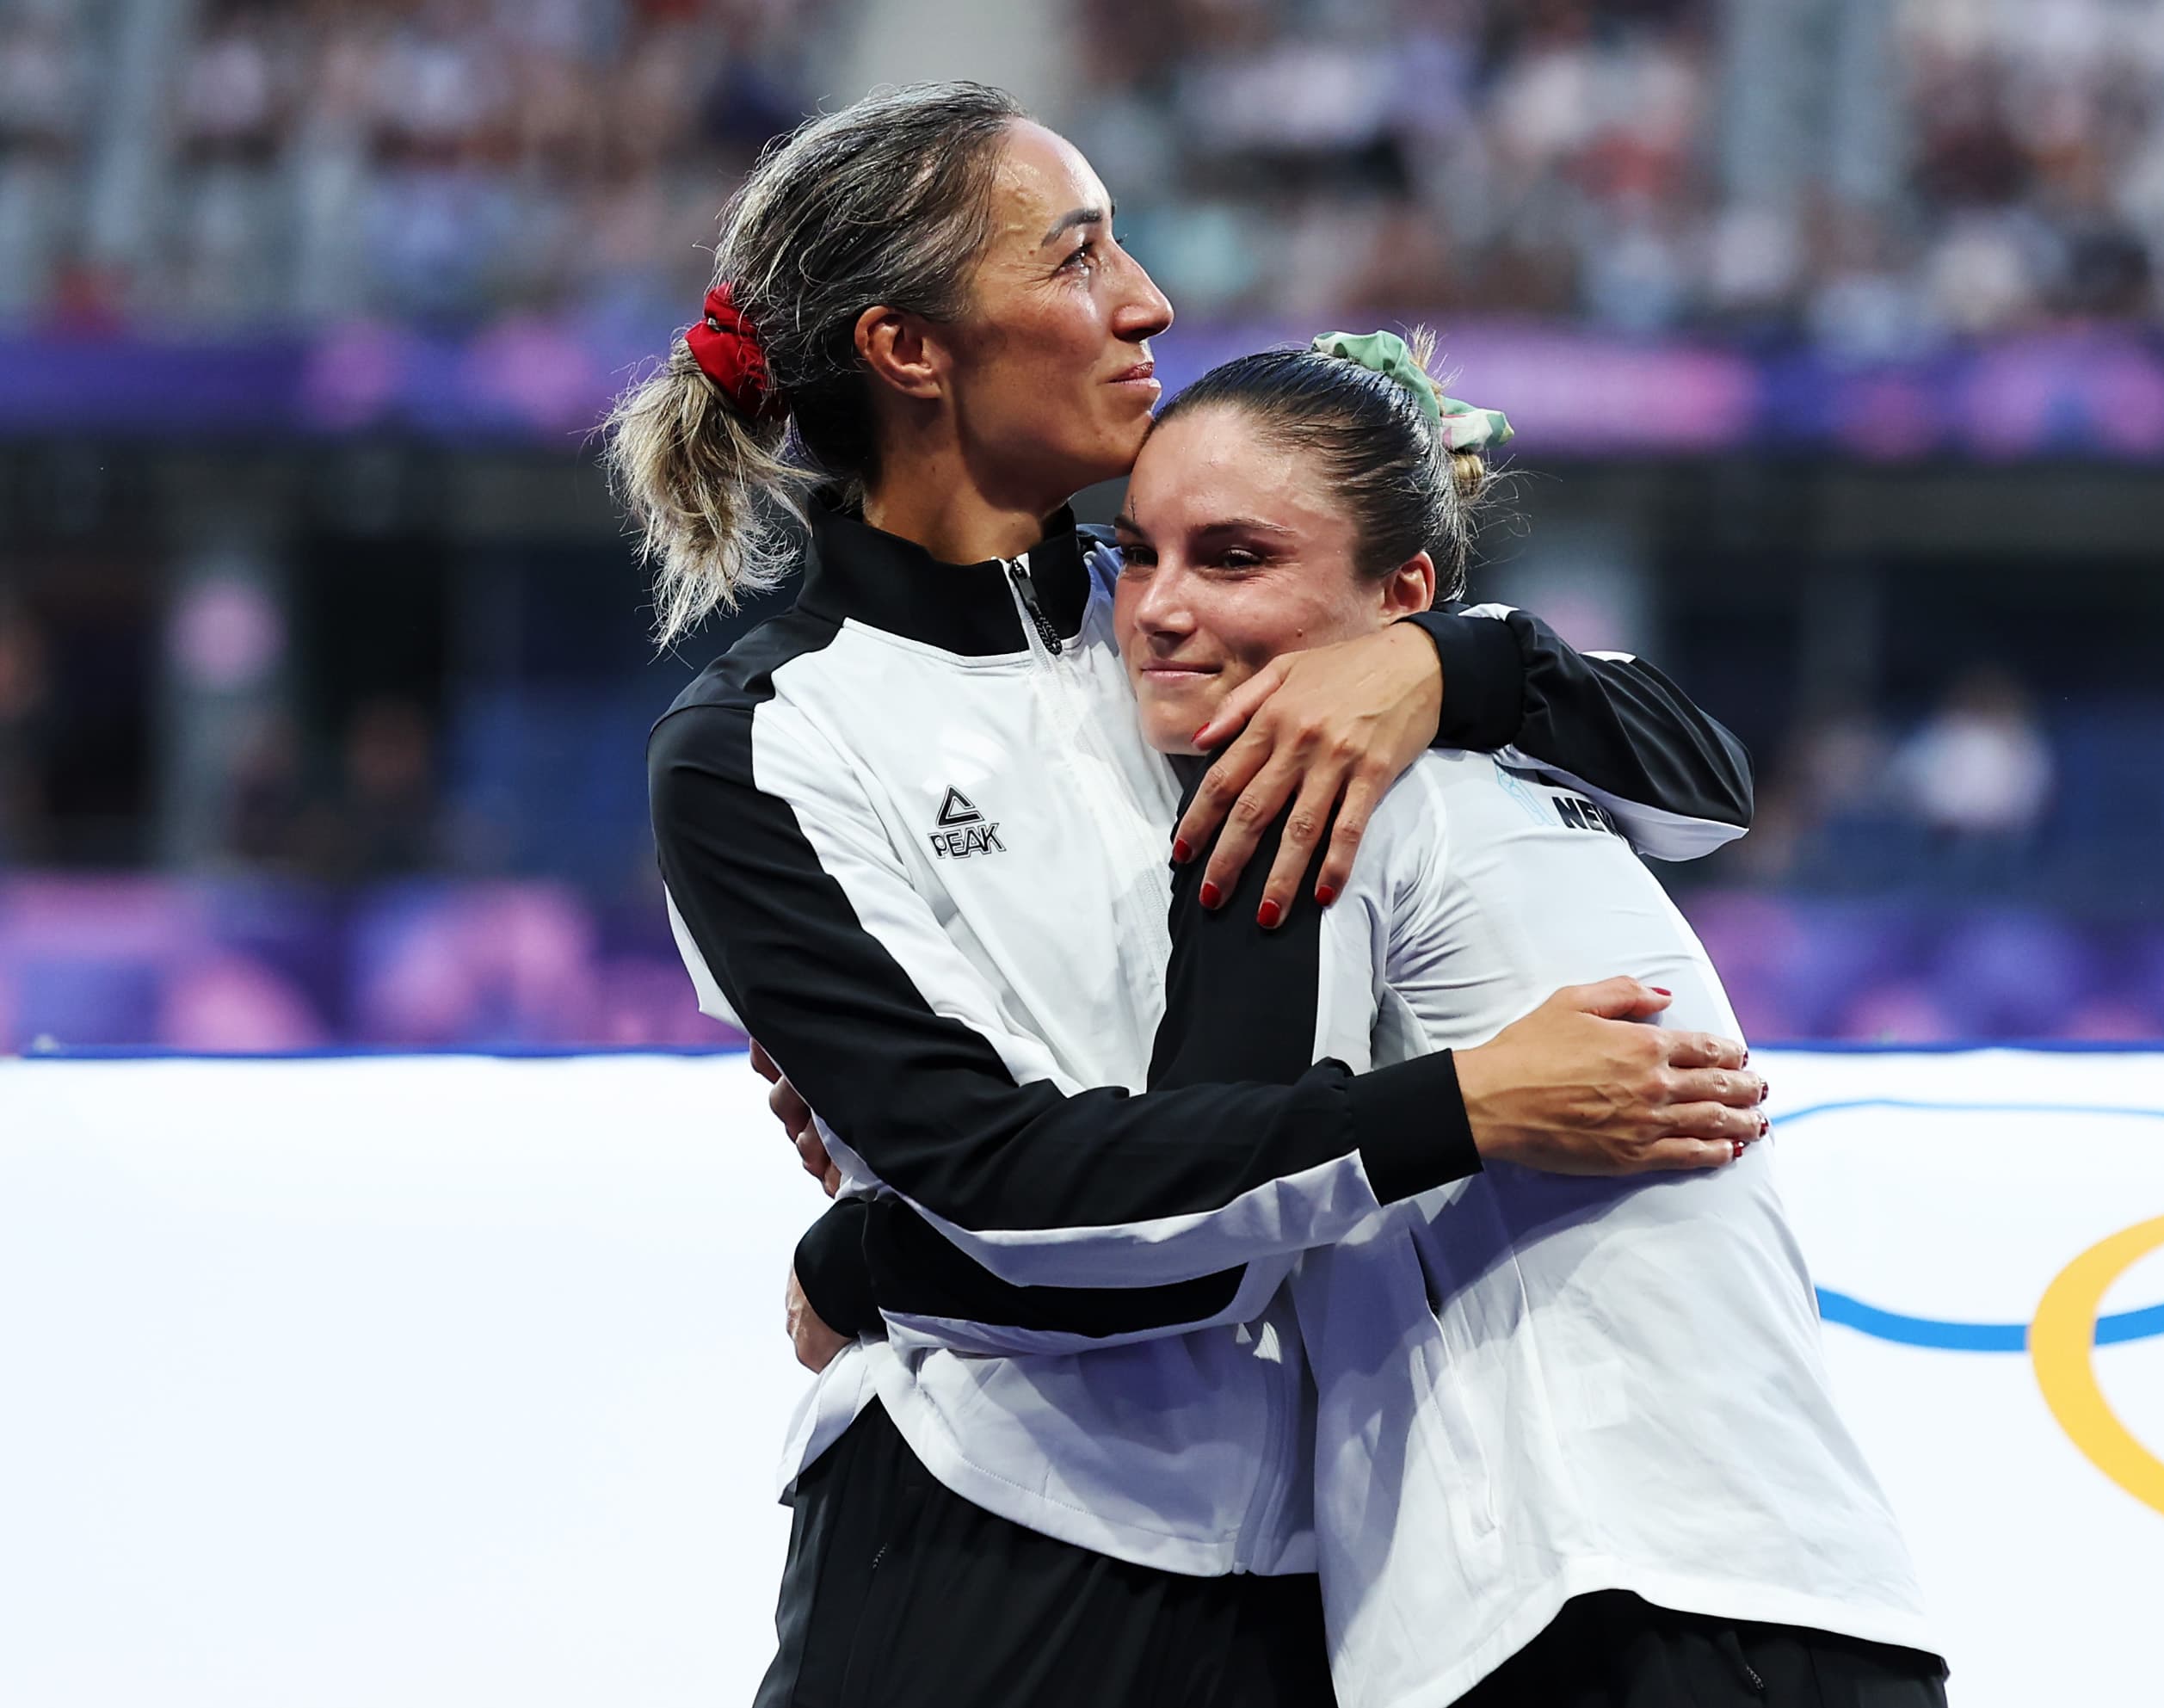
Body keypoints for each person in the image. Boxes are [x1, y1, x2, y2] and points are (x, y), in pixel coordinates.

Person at [612, 84, 1766, 1708]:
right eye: (1079, 255)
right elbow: (1001, 1181)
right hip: (981, 1548)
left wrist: (1437, 662)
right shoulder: (761, 743)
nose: (1148, 298)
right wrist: (1469, 1105)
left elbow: (1698, 783)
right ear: (909, 348)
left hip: (1328, 1582)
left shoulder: (1180, 606)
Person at [843, 333, 1946, 1708]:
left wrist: (868, 1260)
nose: (1160, 609)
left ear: (1401, 590)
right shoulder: (1542, 762)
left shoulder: (1309, 793)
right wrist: (1444, 661)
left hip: (1583, 1600)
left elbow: (1195, 1242)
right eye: (1138, 554)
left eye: (1235, 559)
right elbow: (1706, 786)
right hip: (1792, 1582)